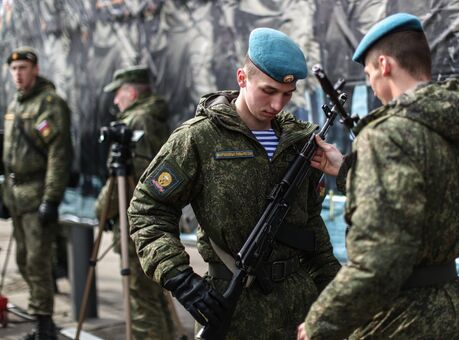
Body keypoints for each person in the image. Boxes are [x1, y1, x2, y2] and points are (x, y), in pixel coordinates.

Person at [127, 27, 341, 339]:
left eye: (287, 95)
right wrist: (179, 277)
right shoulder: (199, 138)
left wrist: (334, 292)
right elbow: (148, 210)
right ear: (242, 78)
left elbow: (311, 226)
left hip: (298, 307)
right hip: (231, 306)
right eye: (268, 91)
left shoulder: (301, 141)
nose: (278, 104)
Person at [297, 13, 459, 339]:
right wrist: (346, 169)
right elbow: (429, 193)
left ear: (385, 65)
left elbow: (378, 260)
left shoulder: (386, 135)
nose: (371, 83)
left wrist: (320, 322)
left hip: (400, 321)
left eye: (370, 72)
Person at [95, 65, 175, 339]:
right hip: (155, 218)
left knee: (141, 299)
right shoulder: (153, 117)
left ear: (130, 92)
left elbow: (135, 179)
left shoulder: (138, 121)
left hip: (137, 222)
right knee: (154, 293)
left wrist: (101, 210)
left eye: (118, 94)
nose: (116, 101)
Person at [3, 46, 73, 339]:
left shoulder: (49, 103)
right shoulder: (15, 104)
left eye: (23, 69)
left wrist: (51, 198)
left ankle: (44, 325)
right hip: (16, 195)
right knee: (22, 260)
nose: (18, 74)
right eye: (14, 70)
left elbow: (59, 154)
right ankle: (40, 318)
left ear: (35, 69)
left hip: (37, 194)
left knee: (38, 261)